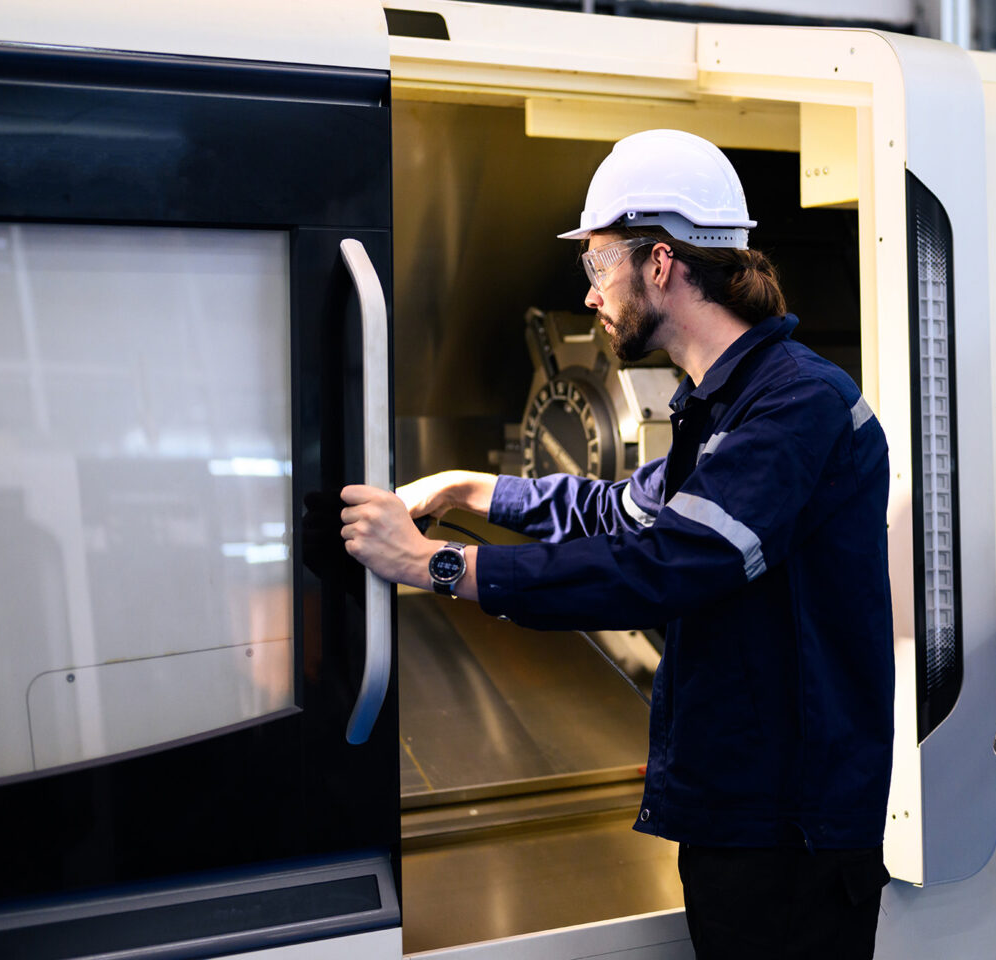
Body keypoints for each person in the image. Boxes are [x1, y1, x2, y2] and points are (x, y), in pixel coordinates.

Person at [340, 129, 894, 960]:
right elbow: (623, 512)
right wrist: (464, 489)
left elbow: (665, 567)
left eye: (599, 265)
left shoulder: (796, 406)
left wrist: (437, 565)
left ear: (662, 262)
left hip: (791, 837)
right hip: (739, 819)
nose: (592, 292)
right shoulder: (719, 404)